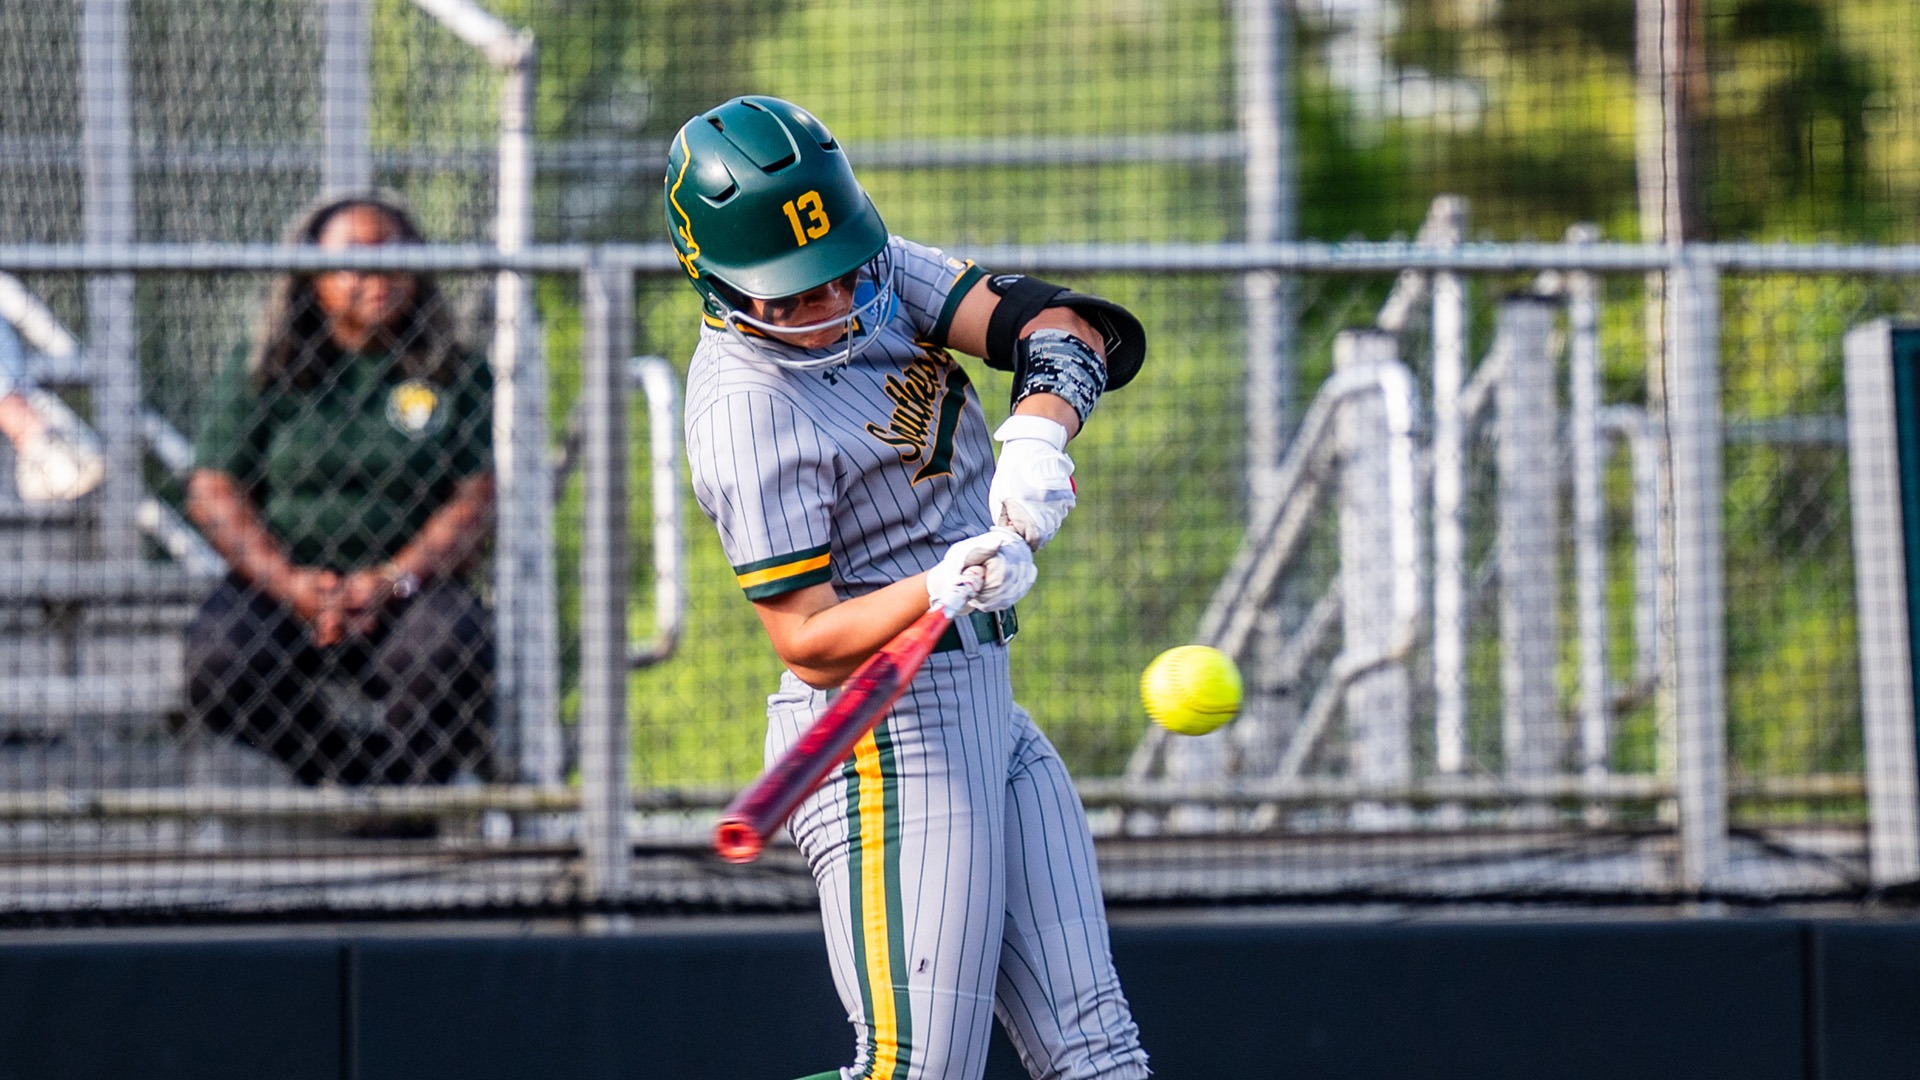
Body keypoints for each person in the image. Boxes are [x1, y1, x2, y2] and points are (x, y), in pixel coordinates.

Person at [668, 97, 1151, 1080]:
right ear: (721, 285)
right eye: (794, 293)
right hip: (880, 737)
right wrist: (943, 582)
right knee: (918, 1071)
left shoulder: (877, 277)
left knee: (1097, 1052)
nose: (832, 300)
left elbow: (1063, 326)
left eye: (839, 269)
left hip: (984, 701)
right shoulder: (744, 409)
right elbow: (805, 635)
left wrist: (1040, 436)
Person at [182, 191, 496, 787]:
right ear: (311, 274)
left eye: (396, 253)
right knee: (219, 658)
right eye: (355, 256)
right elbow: (211, 488)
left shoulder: (455, 371)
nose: (378, 271)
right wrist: (291, 584)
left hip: (409, 592)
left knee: (451, 646)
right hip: (287, 589)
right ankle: (342, 774)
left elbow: (475, 497)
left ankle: (409, 802)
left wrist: (393, 578)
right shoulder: (265, 367)